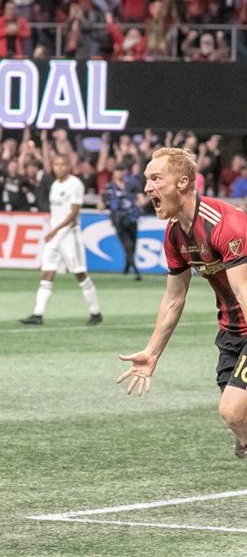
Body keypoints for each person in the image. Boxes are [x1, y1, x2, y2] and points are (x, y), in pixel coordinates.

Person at [117, 148, 247, 458]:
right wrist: (152, 352)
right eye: (147, 179)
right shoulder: (174, 234)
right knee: (238, 417)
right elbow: (174, 298)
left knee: (232, 410)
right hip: (231, 332)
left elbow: (244, 292)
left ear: (183, 183)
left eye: (156, 178)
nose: (147, 187)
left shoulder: (225, 224)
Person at [20, 155, 102, 326]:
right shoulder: (55, 185)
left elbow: (73, 214)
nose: (59, 167)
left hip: (70, 236)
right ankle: (38, 314)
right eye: (56, 164)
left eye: (63, 164)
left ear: (69, 166)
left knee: (80, 273)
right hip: (54, 237)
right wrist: (53, 230)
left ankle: (95, 312)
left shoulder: (75, 184)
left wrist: (55, 230)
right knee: (47, 273)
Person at [100, 165, 144, 280]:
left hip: (132, 217)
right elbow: (102, 204)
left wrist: (139, 204)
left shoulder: (132, 184)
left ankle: (126, 267)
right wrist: (104, 203)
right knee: (127, 244)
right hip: (118, 220)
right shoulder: (109, 187)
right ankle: (136, 270)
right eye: (117, 171)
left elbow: (141, 199)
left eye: (121, 171)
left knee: (133, 245)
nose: (119, 173)